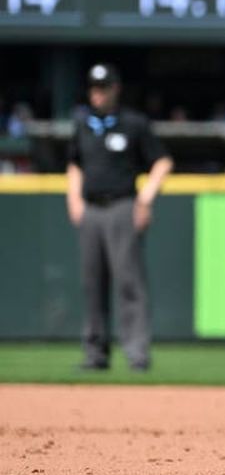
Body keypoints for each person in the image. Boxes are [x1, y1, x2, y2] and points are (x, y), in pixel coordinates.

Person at [66, 63, 173, 373]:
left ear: (116, 88)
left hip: (122, 207)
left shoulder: (133, 124)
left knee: (129, 281)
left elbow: (163, 162)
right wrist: (73, 199)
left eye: (104, 88)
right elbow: (74, 163)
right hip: (91, 209)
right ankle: (95, 353)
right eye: (94, 89)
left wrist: (145, 199)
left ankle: (137, 353)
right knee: (92, 282)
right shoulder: (83, 124)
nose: (98, 94)